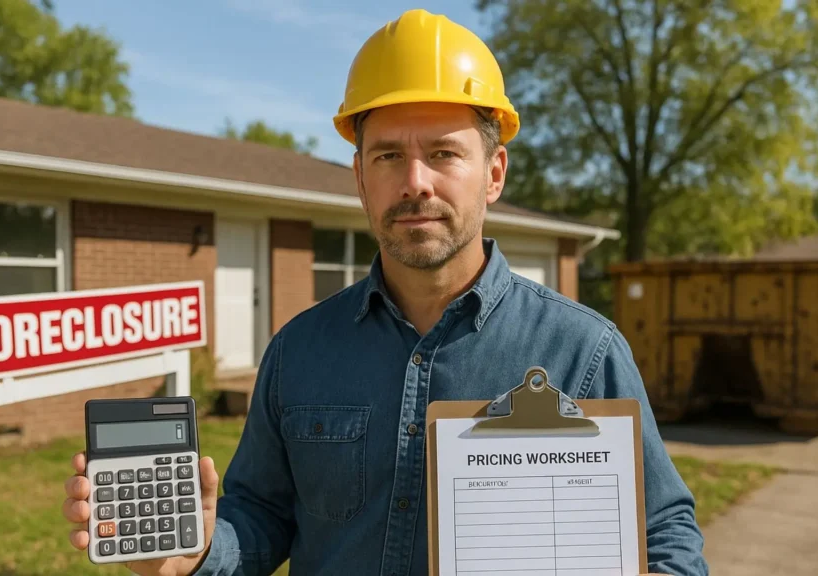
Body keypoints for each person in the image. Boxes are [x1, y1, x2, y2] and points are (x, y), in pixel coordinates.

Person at [63, 8, 708, 576]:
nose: (415, 181)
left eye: (443, 153)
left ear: (494, 173)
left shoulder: (583, 353)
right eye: (388, 156)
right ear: (360, 178)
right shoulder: (298, 352)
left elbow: (668, 535)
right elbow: (260, 520)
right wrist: (200, 550)